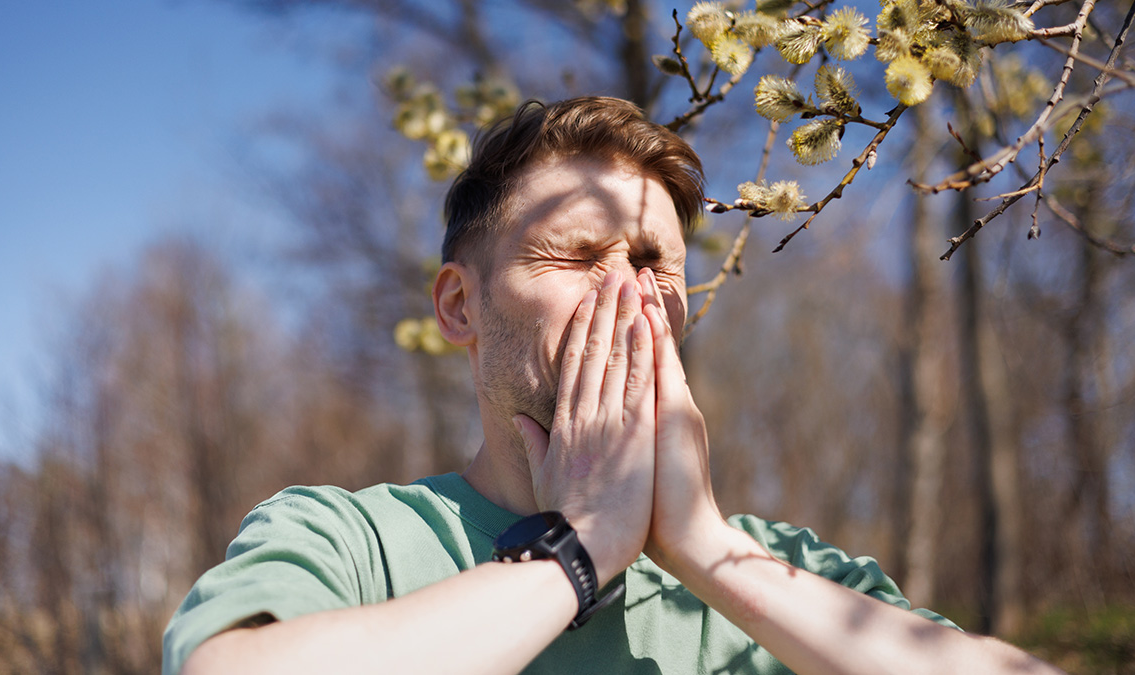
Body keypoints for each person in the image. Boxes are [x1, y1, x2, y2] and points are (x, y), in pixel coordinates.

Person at [163, 96, 1062, 675]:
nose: (627, 291)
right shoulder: (349, 541)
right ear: (460, 306)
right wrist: (577, 548)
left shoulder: (781, 572)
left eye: (652, 264)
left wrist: (705, 549)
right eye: (578, 254)